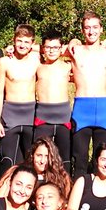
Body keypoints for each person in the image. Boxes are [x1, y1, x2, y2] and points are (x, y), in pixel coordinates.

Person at [68, 11, 106, 175]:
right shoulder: (75, 50)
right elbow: (45, 48)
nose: (91, 31)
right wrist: (11, 48)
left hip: (103, 110)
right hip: (82, 109)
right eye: (87, 28)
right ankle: (78, 190)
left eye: (95, 27)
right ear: (82, 30)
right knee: (80, 159)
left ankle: (101, 190)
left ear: (101, 29)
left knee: (102, 160)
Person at [0, 24, 39, 172]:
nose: (22, 45)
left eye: (26, 42)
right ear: (13, 40)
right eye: (19, 41)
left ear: (32, 43)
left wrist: (75, 42)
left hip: (30, 116)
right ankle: (3, 185)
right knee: (7, 161)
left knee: (30, 162)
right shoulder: (4, 62)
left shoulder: (36, 59)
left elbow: (55, 48)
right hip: (10, 116)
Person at [33, 27, 74, 172]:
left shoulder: (68, 66)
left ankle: (65, 184)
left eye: (55, 47)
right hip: (43, 117)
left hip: (63, 118)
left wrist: (73, 42)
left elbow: (77, 47)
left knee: (64, 157)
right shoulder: (38, 66)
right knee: (40, 156)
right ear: (42, 48)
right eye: (48, 47)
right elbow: (29, 47)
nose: (51, 51)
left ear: (61, 48)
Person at [0, 136, 72, 201]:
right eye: (39, 155)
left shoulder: (61, 177)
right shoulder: (16, 171)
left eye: (47, 156)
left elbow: (65, 203)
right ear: (32, 155)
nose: (42, 161)